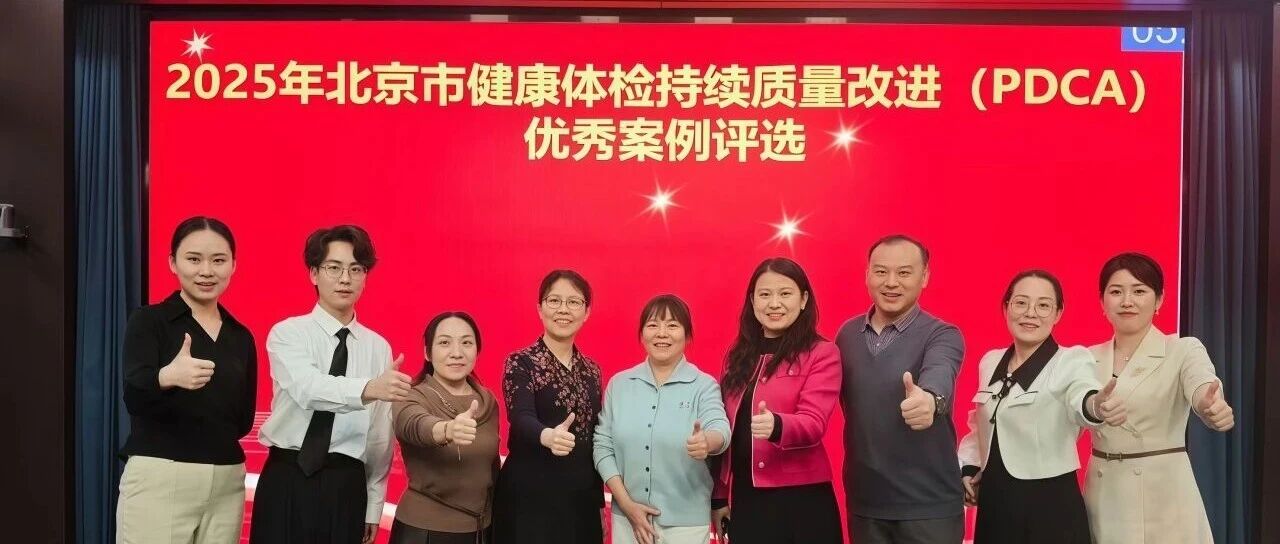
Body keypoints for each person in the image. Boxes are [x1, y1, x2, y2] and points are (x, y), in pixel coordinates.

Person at [250, 225, 412, 544]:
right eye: (333, 268)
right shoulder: (287, 333)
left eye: (356, 269)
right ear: (314, 273)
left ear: (365, 277)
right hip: (287, 476)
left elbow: (379, 435)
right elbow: (308, 388)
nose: (345, 279)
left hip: (346, 483)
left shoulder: (378, 347)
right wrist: (367, 389)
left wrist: (374, 505)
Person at [957, 270, 1128, 544]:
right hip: (995, 503)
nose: (1030, 313)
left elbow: (1082, 395)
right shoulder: (990, 361)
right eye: (1021, 303)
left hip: (1050, 504)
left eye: (1043, 305)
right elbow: (981, 424)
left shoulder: (1071, 360)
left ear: (1058, 313)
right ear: (1006, 307)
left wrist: (1095, 405)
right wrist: (969, 468)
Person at [117, 216, 256, 543]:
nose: (206, 271)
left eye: (218, 260)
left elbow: (243, 420)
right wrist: (166, 376)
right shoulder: (150, 321)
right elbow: (133, 395)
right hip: (161, 473)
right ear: (173, 263)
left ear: (233, 265)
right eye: (194, 259)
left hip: (226, 480)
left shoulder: (240, 336)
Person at [1084, 252, 1235, 543]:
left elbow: (1201, 383)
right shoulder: (1086, 358)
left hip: (1164, 495)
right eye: (1116, 292)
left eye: (1139, 291)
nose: (1127, 301)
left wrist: (1209, 405)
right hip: (1104, 494)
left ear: (1160, 300)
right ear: (1102, 302)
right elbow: (1072, 415)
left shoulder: (1182, 349)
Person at [835, 234, 966, 543]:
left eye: (904, 273)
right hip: (866, 505)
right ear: (867, 275)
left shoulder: (942, 335)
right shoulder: (847, 335)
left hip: (929, 507)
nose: (891, 282)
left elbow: (940, 374)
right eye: (881, 271)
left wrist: (929, 401)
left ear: (924, 277)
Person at [710, 257, 844, 544]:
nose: (774, 303)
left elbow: (814, 422)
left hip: (803, 502)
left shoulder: (822, 353)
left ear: (803, 299)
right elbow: (725, 428)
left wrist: (777, 425)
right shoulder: (737, 356)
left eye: (785, 293)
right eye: (765, 294)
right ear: (752, 300)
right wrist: (718, 497)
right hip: (747, 499)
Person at [594, 294, 730, 544]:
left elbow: (720, 428)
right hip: (628, 521)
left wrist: (707, 442)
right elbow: (602, 446)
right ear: (642, 333)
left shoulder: (703, 385)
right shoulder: (620, 384)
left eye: (672, 325)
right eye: (653, 325)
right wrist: (627, 505)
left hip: (686, 526)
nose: (662, 333)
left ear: (687, 335)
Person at [492, 270, 606, 544]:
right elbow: (521, 417)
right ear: (540, 308)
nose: (563, 309)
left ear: (586, 312)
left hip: (580, 503)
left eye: (574, 302)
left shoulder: (592, 370)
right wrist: (547, 436)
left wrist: (599, 505)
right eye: (554, 301)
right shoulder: (521, 362)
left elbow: (594, 439)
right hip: (529, 500)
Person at [391, 312, 500, 544]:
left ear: (477, 350)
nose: (457, 353)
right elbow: (412, 424)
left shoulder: (487, 401)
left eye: (466, 343)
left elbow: (492, 470)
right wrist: (447, 430)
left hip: (481, 530)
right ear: (427, 353)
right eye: (444, 343)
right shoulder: (412, 394)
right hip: (424, 531)